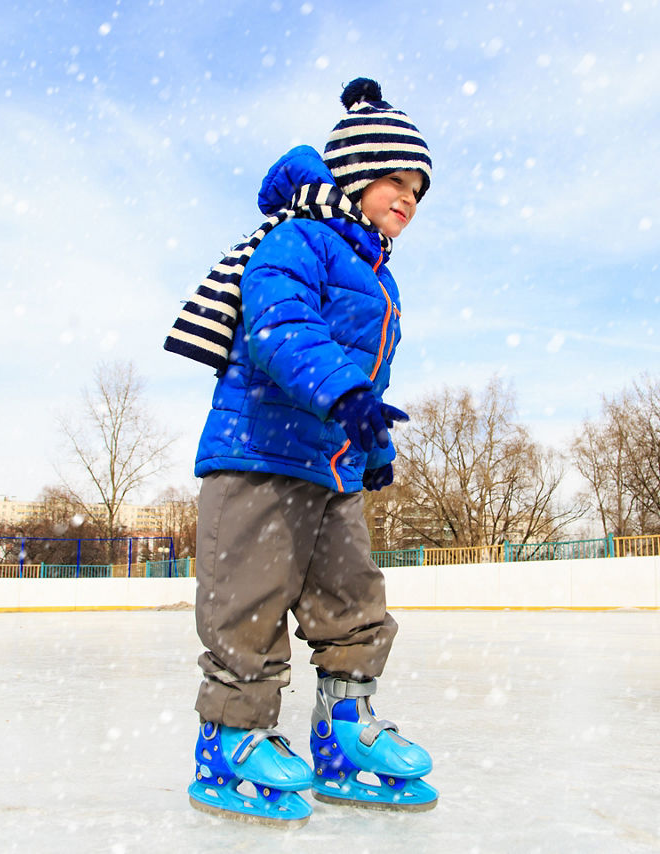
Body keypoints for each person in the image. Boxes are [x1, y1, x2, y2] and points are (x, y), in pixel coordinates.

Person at [164, 78, 437, 828]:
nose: (409, 198)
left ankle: (345, 735)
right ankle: (232, 737)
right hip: (259, 452)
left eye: (419, 187)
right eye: (394, 179)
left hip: (332, 465)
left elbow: (362, 373)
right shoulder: (299, 240)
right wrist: (344, 393)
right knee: (248, 602)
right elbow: (280, 327)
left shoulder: (379, 276)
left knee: (354, 599)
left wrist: (369, 439)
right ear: (352, 177)